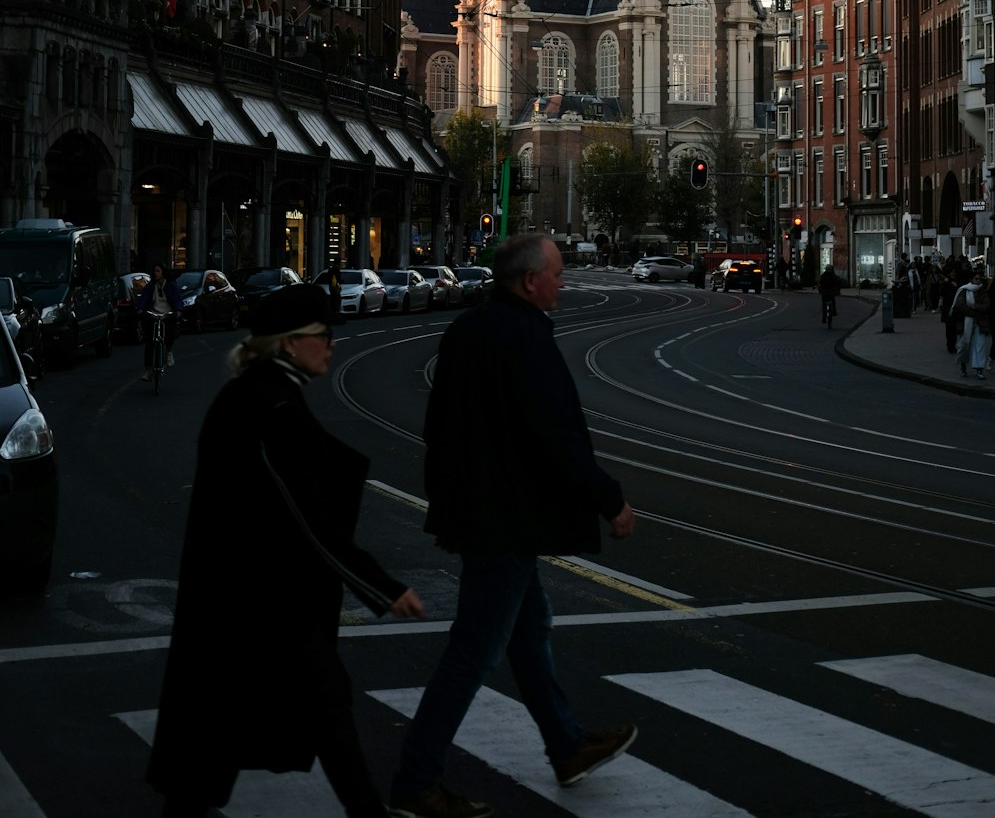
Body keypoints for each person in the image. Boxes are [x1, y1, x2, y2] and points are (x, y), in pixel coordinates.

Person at [147, 282, 424, 817]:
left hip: (247, 596)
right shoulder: (271, 404)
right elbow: (309, 517)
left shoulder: (259, 393)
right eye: (324, 335)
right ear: (292, 344)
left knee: (243, 722)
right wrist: (381, 587)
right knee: (310, 707)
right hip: (264, 600)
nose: (332, 344)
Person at [388, 233, 637, 818]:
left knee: (527, 631)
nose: (563, 282)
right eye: (556, 273)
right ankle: (416, 781)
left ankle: (568, 745)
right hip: (504, 519)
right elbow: (555, 434)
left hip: (480, 510)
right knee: (474, 652)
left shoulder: (468, 329)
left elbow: (438, 425)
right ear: (530, 282)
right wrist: (610, 500)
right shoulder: (525, 339)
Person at [137, 262, 182, 380]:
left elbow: (177, 299)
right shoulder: (151, 286)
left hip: (167, 314)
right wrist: (141, 309)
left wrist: (178, 310)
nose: (155, 273)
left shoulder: (171, 285)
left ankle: (169, 352)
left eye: (158, 271)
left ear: (163, 272)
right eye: (154, 271)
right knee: (150, 343)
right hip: (154, 314)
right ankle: (148, 370)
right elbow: (144, 298)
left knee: (169, 332)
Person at [955, 271, 991, 379]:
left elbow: (987, 305)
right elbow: (961, 305)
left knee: (980, 346)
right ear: (971, 279)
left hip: (980, 323)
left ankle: (979, 369)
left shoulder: (982, 291)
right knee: (964, 346)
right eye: (976, 278)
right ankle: (963, 367)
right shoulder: (964, 290)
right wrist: (974, 311)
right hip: (966, 323)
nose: (978, 280)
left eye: (979, 278)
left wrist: (974, 306)